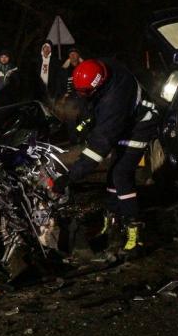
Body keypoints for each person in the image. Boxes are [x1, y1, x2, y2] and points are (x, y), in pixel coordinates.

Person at [50, 58, 159, 257]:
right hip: (125, 122)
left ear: (97, 86)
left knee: (121, 174)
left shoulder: (114, 102)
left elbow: (97, 150)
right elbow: (88, 102)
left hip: (140, 125)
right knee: (113, 175)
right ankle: (112, 223)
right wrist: (82, 125)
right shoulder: (102, 72)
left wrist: (69, 177)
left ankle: (134, 232)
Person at [32, 40, 65, 105]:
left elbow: (58, 78)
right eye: (45, 47)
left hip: (51, 92)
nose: (46, 49)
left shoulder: (56, 62)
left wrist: (58, 92)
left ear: (50, 49)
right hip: (39, 92)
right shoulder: (36, 61)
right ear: (42, 48)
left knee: (51, 110)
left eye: (48, 47)